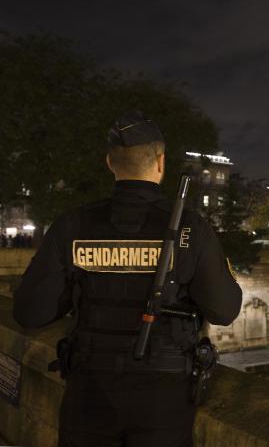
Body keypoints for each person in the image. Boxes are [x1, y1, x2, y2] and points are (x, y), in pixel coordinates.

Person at [12, 110, 243, 447]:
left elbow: (30, 313)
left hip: (90, 389)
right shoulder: (190, 229)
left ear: (110, 162)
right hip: (164, 397)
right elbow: (225, 310)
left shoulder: (72, 225)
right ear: (161, 162)